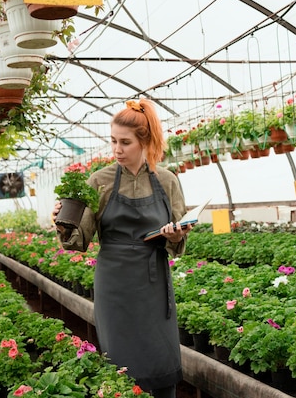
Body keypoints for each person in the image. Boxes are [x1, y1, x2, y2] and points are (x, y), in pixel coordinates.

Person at [52, 99, 192, 398]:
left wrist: (176, 235)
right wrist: (62, 223)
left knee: (160, 358)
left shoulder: (167, 181)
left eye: (125, 142)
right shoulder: (98, 181)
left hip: (153, 281)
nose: (117, 149)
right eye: (113, 141)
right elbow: (79, 241)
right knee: (120, 362)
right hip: (114, 283)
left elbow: (179, 240)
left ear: (146, 142)